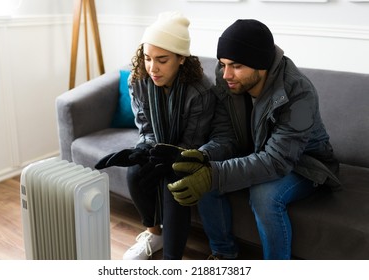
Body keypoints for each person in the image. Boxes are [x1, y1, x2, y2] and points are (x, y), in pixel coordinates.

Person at [161, 19, 341, 260]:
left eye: (236, 66)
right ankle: (224, 255)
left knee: (264, 195)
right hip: (255, 151)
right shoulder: (227, 78)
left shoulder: (299, 94)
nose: (226, 74)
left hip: (305, 164)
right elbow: (226, 134)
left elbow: (277, 160)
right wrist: (206, 156)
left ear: (261, 64)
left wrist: (215, 173)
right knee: (201, 170)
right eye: (223, 64)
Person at [95, 11, 217, 260]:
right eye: (148, 58)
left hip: (190, 152)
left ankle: (171, 260)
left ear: (181, 58)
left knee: (174, 182)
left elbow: (193, 140)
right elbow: (146, 128)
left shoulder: (201, 90)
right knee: (135, 172)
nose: (152, 68)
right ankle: (154, 233)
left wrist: (169, 160)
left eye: (162, 60)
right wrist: (144, 150)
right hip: (159, 146)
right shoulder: (138, 81)